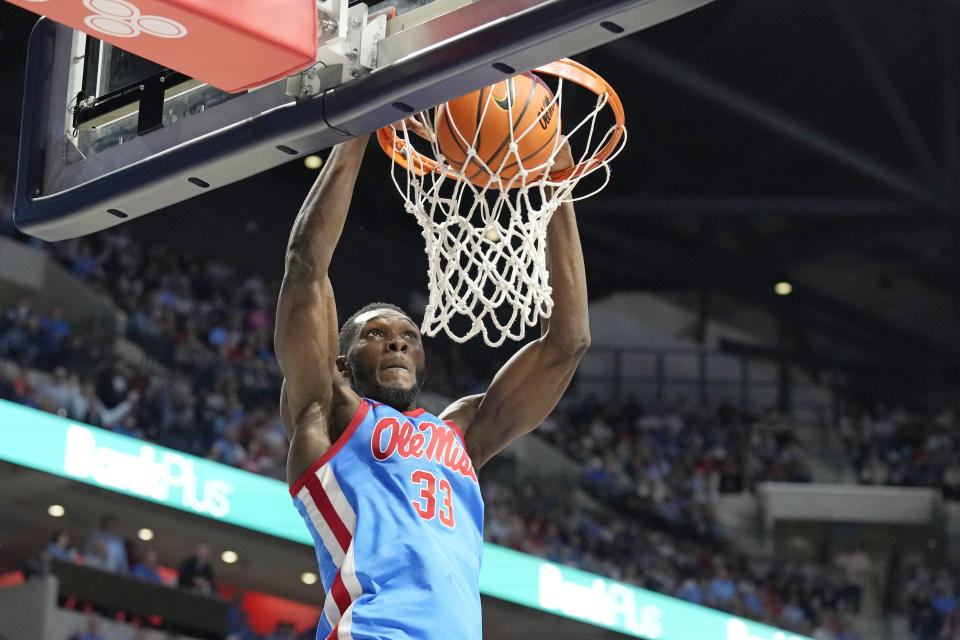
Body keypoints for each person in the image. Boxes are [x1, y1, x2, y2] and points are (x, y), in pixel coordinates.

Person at [275, 124, 589, 640]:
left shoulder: (461, 435)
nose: (397, 342)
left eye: (408, 335)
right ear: (342, 364)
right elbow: (306, 268)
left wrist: (558, 184)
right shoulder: (327, 415)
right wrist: (357, 126)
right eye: (375, 334)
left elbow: (568, 343)